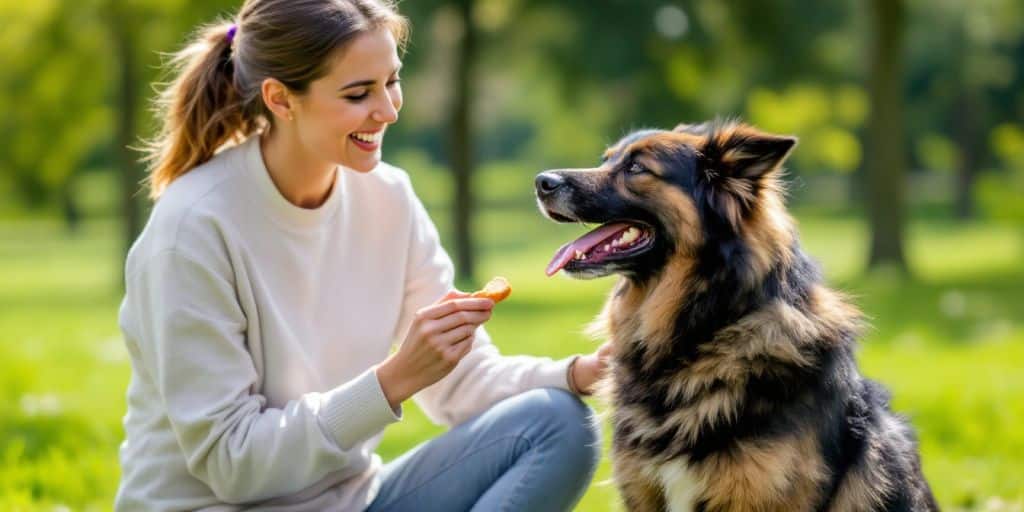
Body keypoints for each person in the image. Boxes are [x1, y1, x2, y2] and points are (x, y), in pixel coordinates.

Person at [115, 0, 610, 510]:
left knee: (558, 423)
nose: (389, 110)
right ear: (281, 100)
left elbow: (461, 382)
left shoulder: (388, 198)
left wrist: (579, 372)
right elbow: (233, 464)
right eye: (358, 93)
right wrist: (394, 380)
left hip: (354, 501)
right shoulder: (192, 228)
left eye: (392, 81)